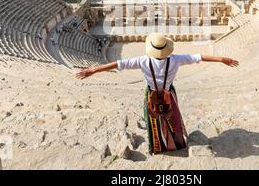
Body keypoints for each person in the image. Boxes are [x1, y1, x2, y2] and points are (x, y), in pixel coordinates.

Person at [75, 33, 239, 155]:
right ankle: (177, 144)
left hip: (152, 94)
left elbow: (118, 64)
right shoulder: (176, 59)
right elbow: (200, 57)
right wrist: (223, 59)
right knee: (171, 117)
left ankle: (157, 146)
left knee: (154, 119)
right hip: (169, 94)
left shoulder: (142, 61)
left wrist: (94, 70)